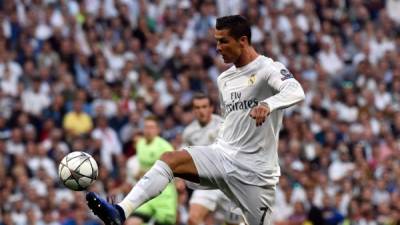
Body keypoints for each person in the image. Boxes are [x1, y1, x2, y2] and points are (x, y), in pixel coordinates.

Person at [86, 15, 305, 225]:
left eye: (223, 41)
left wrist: (268, 104)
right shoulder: (224, 79)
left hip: (256, 174)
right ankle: (121, 211)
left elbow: (295, 90)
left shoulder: (268, 68)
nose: (218, 47)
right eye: (216, 41)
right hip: (223, 156)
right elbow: (231, 121)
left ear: (243, 40)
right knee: (171, 159)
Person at [182, 93, 241, 225]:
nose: (201, 111)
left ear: (211, 108)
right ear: (193, 110)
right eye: (197, 107)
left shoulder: (223, 125)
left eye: (204, 106)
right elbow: (184, 158)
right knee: (192, 219)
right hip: (206, 184)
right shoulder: (189, 132)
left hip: (228, 184)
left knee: (234, 223)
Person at [127, 116, 178, 225]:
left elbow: (176, 170)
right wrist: (138, 174)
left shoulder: (165, 146)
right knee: (131, 223)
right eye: (146, 127)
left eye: (152, 127)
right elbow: (143, 167)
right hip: (146, 193)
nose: (148, 130)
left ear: (157, 130)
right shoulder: (140, 144)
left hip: (164, 194)